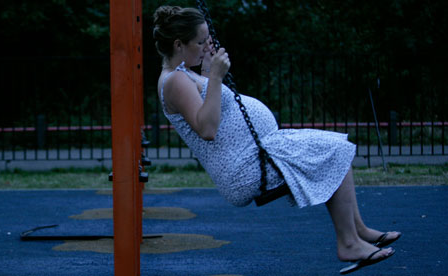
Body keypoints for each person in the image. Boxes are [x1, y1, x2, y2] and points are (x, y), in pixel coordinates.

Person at [153, 5, 401, 274]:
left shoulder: (183, 74)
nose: (205, 47)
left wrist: (207, 71)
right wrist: (215, 77)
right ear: (179, 44)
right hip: (245, 168)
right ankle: (349, 242)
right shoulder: (173, 81)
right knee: (334, 150)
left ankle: (359, 230)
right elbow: (207, 128)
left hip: (258, 152)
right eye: (200, 42)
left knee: (336, 147)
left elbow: (206, 104)